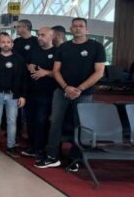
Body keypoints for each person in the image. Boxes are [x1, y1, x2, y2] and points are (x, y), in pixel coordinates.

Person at [36, 18, 106, 171]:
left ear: (86, 29)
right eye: (75, 26)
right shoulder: (64, 47)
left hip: (84, 93)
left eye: (81, 26)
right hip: (61, 91)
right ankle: (52, 156)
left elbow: (99, 72)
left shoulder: (96, 46)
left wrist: (79, 89)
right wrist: (66, 87)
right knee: (55, 122)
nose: (78, 29)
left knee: (79, 125)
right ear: (70, 29)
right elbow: (56, 71)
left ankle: (75, 158)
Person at [0, 32, 28, 157]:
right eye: (3, 42)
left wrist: (23, 95)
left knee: (12, 122)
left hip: (13, 95)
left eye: (8, 42)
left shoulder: (19, 59)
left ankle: (11, 146)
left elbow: (24, 79)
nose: (5, 44)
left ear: (12, 44)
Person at [21, 27, 56, 159]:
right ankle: (31, 146)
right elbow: (27, 64)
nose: (39, 37)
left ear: (51, 37)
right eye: (38, 35)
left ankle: (40, 148)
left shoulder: (57, 52)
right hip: (31, 92)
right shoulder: (34, 50)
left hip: (47, 93)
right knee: (30, 121)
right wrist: (28, 66)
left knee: (41, 121)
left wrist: (46, 72)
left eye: (43, 35)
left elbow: (61, 73)